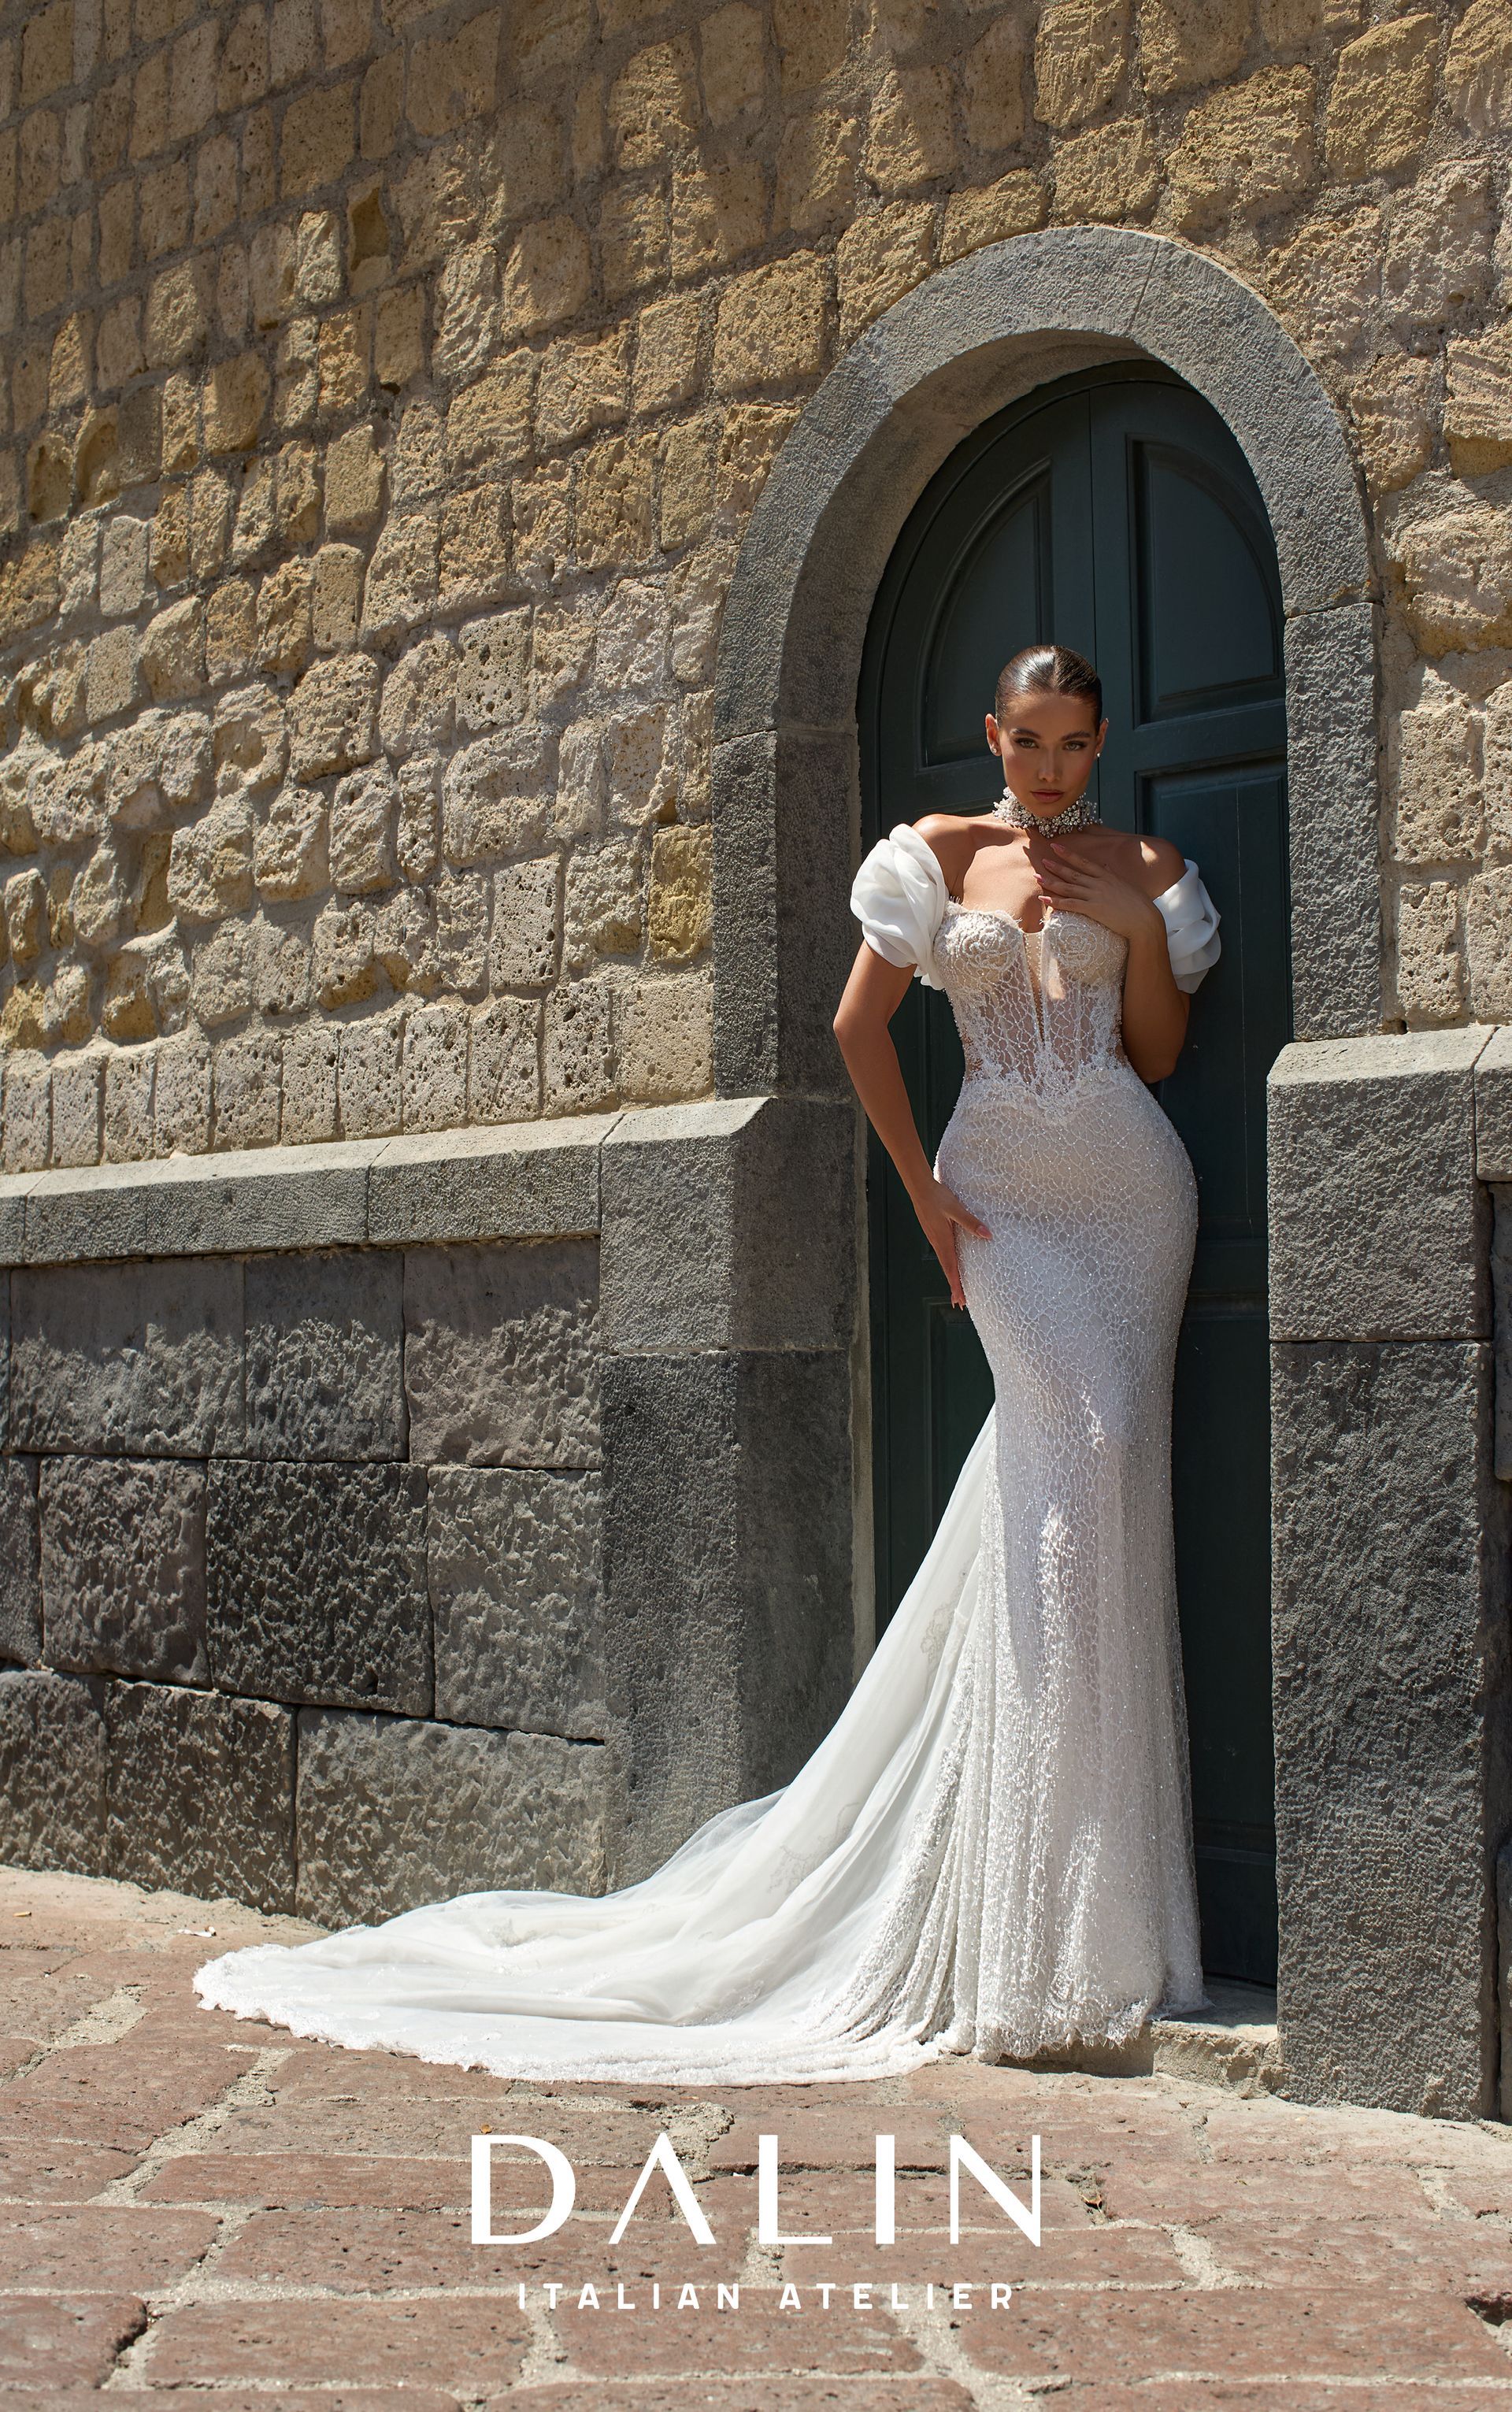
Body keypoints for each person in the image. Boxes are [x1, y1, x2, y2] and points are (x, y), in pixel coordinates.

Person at [196, 642, 1220, 2085]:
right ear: (992, 735)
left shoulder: (1149, 867)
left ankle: (1089, 1930)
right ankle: (1024, 1929)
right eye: (1027, 740)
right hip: (1001, 1201)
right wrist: (925, 1197)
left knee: (1101, 1497)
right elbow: (857, 1027)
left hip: (1131, 1197)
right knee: (1069, 1479)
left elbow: (1159, 1054)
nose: (1049, 768)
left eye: (1073, 743)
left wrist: (1131, 925)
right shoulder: (935, 855)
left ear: (1101, 742)